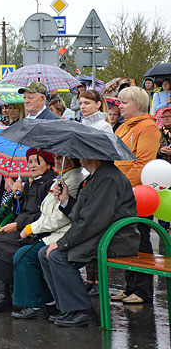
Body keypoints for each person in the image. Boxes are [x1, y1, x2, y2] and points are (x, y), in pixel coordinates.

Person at [39, 158, 140, 327]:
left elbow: (91, 221)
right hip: (99, 234)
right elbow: (83, 214)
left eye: (81, 154)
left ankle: (82, 311)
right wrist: (65, 199)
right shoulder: (95, 177)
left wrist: (63, 243)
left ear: (92, 156)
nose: (78, 158)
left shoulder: (108, 179)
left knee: (57, 256)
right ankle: (68, 308)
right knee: (44, 254)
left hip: (114, 239)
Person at [0, 148, 57, 312]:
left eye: (36, 161)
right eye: (29, 161)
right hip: (23, 227)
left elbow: (41, 215)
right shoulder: (31, 182)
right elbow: (19, 211)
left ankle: (3, 297)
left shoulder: (50, 183)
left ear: (47, 163)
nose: (32, 165)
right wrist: (19, 197)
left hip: (35, 232)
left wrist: (18, 225)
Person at [10, 156, 84, 320]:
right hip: (49, 230)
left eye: (59, 157)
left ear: (70, 159)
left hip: (62, 232)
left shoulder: (73, 179)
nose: (56, 159)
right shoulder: (63, 177)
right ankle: (48, 301)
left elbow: (60, 217)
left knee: (24, 256)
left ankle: (36, 304)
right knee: (26, 253)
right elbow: (46, 210)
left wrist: (31, 228)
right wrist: (19, 195)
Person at [113, 86, 161, 304]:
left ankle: (142, 290)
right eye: (120, 102)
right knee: (126, 240)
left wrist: (123, 187)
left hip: (137, 193)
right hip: (121, 190)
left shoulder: (148, 127)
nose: (120, 106)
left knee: (141, 239)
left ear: (138, 105)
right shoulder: (123, 127)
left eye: (124, 103)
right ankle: (130, 286)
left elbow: (143, 162)